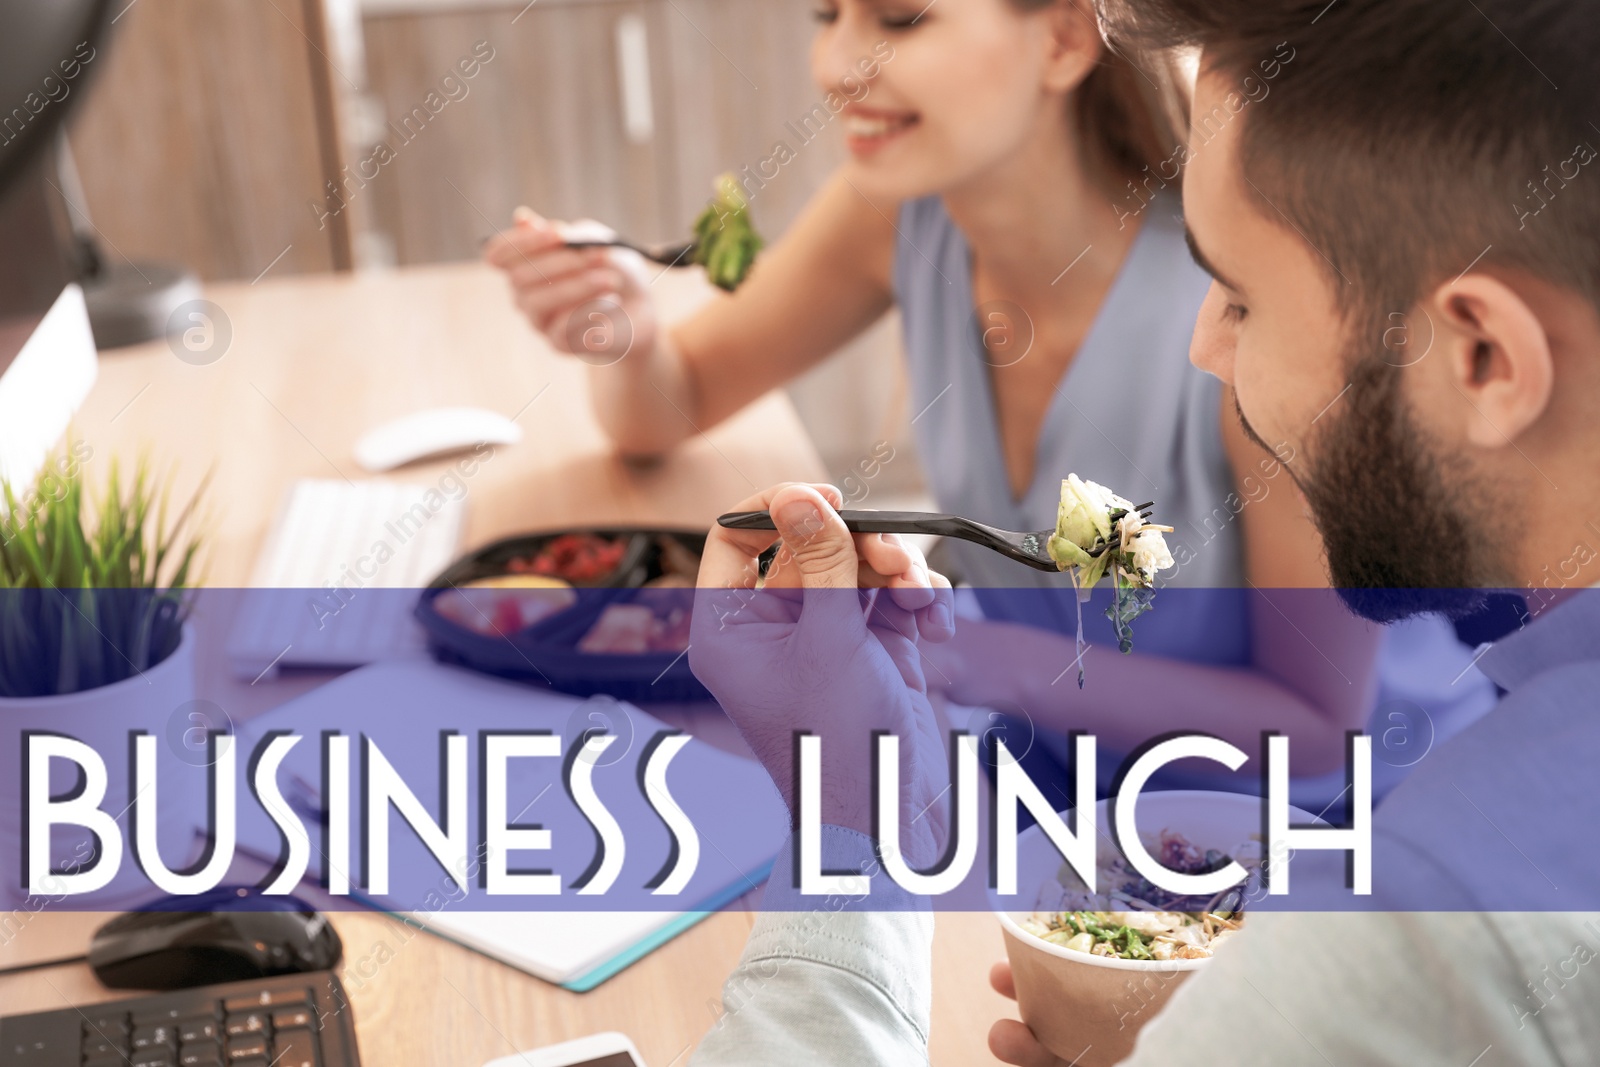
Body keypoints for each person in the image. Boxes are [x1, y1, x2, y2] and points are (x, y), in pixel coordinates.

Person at [683, 0, 1600, 1063]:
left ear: (1482, 356)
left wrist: (856, 816)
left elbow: (1319, 739)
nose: (1203, 344)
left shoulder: (1431, 912)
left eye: (1243, 298)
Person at [486, 0, 1491, 794]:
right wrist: (619, 328)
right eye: (825, 14)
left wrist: (978, 659)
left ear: (1062, 36)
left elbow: (1316, 728)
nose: (839, 64)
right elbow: (667, 403)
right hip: (1061, 787)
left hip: (1305, 828)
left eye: (899, 18)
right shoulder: (901, 211)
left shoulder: (1249, 316)